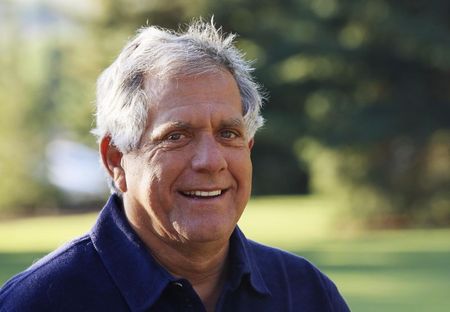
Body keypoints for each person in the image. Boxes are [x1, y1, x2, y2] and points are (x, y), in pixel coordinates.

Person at [0, 20, 350, 311]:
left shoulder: (306, 295)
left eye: (228, 133)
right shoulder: (37, 303)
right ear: (116, 160)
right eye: (176, 136)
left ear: (249, 148)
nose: (211, 161)